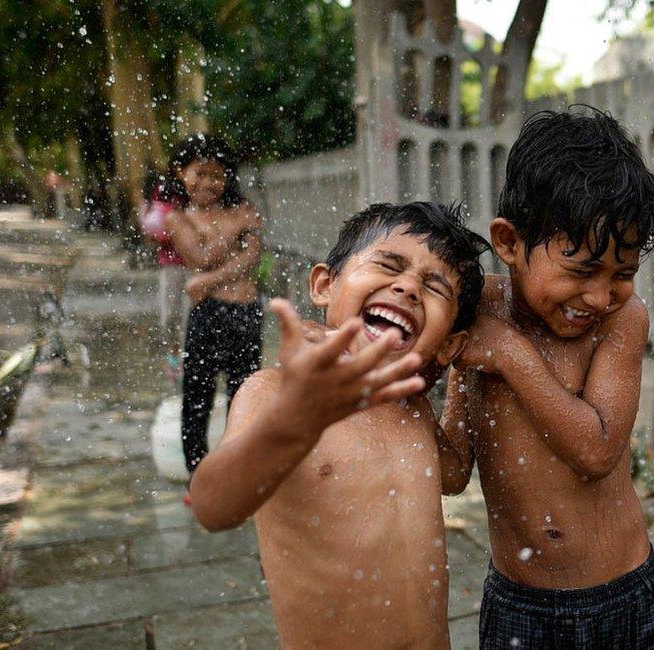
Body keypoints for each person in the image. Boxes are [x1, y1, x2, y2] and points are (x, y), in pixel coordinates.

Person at [189, 202, 490, 648]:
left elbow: (452, 475)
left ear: (448, 345)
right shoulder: (275, 393)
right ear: (324, 285)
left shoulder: (414, 409)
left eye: (434, 287)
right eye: (390, 265)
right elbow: (213, 508)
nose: (407, 287)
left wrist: (470, 372)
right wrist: (300, 420)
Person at [440, 108, 654, 648]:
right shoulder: (480, 313)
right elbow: (454, 470)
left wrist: (511, 356)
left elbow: (597, 451)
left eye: (622, 274)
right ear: (508, 243)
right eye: (580, 271)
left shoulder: (621, 321)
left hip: (621, 598)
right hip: (517, 606)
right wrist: (392, 392)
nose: (600, 297)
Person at [163, 133, 263, 479]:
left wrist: (205, 282)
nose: (207, 183)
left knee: (245, 394)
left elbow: (252, 256)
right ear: (180, 172)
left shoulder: (242, 209)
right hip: (208, 315)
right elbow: (199, 257)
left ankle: (241, 471)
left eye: (216, 175)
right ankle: (200, 475)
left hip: (247, 312)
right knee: (198, 395)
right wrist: (235, 228)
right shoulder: (178, 219)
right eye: (199, 173)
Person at [139, 171, 186, 382]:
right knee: (169, 318)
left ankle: (192, 362)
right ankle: (175, 359)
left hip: (198, 265)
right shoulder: (162, 190)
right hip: (171, 266)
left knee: (190, 318)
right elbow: (152, 228)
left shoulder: (197, 191)